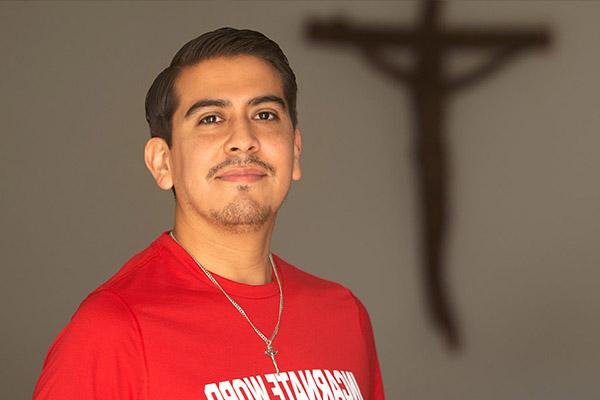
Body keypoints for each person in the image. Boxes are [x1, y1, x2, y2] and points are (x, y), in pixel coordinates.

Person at [32, 27, 384, 400]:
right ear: (162, 162)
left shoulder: (344, 315)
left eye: (264, 114)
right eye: (211, 119)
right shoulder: (113, 329)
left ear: (294, 151)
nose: (243, 139)